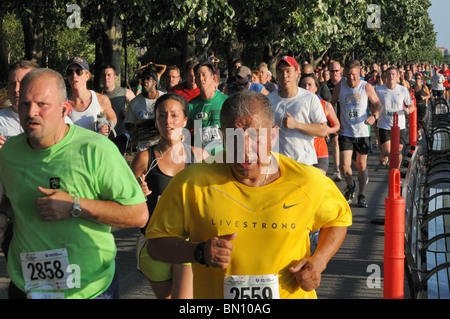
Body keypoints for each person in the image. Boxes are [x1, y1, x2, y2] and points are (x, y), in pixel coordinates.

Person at [145, 90, 352, 299]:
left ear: (273, 136)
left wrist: (319, 261)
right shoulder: (191, 183)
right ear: (222, 137)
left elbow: (338, 219)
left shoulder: (306, 181)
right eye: (234, 137)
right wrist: (198, 252)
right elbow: (155, 245)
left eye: (255, 136)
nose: (245, 150)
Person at [0, 68, 148, 299]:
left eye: (42, 104)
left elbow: (138, 214)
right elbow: (8, 201)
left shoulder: (96, 150)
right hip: (27, 286)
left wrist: (75, 206)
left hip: (89, 289)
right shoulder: (9, 153)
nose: (31, 112)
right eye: (25, 104)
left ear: (64, 109)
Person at [131, 93, 208, 299]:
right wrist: (137, 196)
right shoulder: (144, 158)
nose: (168, 121)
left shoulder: (200, 157)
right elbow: (128, 206)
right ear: (155, 120)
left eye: (174, 115)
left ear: (184, 120)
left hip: (187, 241)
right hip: (153, 242)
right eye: (162, 115)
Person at [0, 60, 39, 262]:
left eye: (22, 83)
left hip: (47, 215)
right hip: (13, 218)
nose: (16, 89)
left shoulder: (58, 119)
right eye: (11, 83)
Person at [330, 60, 381, 208]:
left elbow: (378, 104)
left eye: (353, 75)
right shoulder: (340, 87)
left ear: (359, 74)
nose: (350, 78)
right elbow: (331, 104)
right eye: (348, 75)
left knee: (361, 165)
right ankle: (351, 186)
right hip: (346, 131)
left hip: (362, 131)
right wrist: (334, 123)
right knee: (345, 166)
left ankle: (361, 194)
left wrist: (374, 116)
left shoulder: (366, 87)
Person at [269, 56, 328, 167]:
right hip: (278, 164)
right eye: (280, 71)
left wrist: (297, 125)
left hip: (304, 163)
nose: (284, 75)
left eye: (288, 71)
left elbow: (323, 130)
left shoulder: (310, 98)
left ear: (297, 73)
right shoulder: (269, 100)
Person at [66, 57, 117, 136]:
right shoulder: (61, 101)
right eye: (70, 72)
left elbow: (112, 117)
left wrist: (108, 126)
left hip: (96, 147)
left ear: (87, 76)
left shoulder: (101, 99)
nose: (74, 75)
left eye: (78, 71)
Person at [376, 67, 415, 168]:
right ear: (386, 76)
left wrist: (408, 110)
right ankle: (384, 154)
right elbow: (373, 105)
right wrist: (375, 112)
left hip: (399, 125)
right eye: (389, 74)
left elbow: (412, 106)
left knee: (398, 150)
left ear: (398, 76)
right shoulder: (379, 90)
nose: (391, 76)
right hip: (384, 124)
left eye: (393, 74)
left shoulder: (402, 90)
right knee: (388, 151)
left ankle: (395, 172)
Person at [300, 74, 340, 174]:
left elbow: (337, 125)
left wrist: (328, 130)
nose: (306, 88)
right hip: (301, 152)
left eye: (310, 85)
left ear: (316, 88)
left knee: (317, 183)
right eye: (303, 85)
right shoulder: (295, 106)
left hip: (319, 152)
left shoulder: (325, 105)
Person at [187, 62, 228, 155]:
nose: (201, 79)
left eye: (204, 75)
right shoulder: (191, 105)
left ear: (213, 78)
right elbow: (183, 134)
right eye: (197, 76)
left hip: (224, 156)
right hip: (201, 158)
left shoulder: (226, 101)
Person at [125, 68, 166, 152]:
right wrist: (141, 130)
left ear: (155, 82)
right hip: (144, 147)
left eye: (148, 78)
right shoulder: (134, 103)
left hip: (163, 145)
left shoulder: (165, 99)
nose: (145, 81)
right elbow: (128, 124)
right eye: (143, 79)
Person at [101, 64, 136, 155]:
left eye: (109, 75)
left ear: (115, 77)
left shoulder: (125, 92)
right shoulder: (97, 96)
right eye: (104, 75)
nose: (106, 77)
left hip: (121, 134)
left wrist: (128, 115)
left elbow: (137, 109)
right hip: (104, 137)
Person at [327, 61, 343, 181]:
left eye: (337, 71)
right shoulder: (326, 86)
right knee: (336, 141)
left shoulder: (345, 84)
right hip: (332, 118)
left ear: (341, 71)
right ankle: (337, 170)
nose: (334, 73)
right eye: (332, 71)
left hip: (346, 117)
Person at [413, 73, 430, 140]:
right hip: (415, 107)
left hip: (422, 106)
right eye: (416, 78)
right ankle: (418, 134)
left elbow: (429, 95)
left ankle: (421, 133)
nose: (417, 80)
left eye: (419, 78)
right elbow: (409, 95)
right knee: (416, 121)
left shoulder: (424, 87)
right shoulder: (413, 87)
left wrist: (425, 97)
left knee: (420, 121)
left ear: (421, 79)